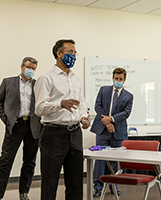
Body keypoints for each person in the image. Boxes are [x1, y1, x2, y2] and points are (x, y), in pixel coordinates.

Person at [34, 39, 91, 200]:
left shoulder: (75, 79)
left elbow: (81, 104)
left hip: (75, 133)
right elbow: (39, 108)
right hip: (53, 134)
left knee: (75, 182)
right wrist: (60, 103)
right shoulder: (46, 79)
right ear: (59, 54)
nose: (73, 56)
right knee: (50, 181)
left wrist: (83, 118)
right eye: (70, 52)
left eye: (75, 53)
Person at [0, 57, 41, 200]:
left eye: (33, 69)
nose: (30, 71)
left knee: (29, 161)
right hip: (15, 125)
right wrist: (7, 120)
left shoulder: (38, 85)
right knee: (5, 160)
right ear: (21, 67)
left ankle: (24, 192)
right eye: (28, 67)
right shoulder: (8, 82)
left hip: (33, 127)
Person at [90, 67, 133, 197]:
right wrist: (108, 122)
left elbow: (126, 113)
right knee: (100, 158)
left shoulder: (129, 96)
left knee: (115, 160)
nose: (118, 81)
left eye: (120, 79)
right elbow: (97, 106)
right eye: (116, 78)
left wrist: (112, 120)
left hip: (118, 131)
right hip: (102, 129)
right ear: (112, 78)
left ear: (124, 80)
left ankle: (113, 185)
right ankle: (97, 186)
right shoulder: (104, 90)